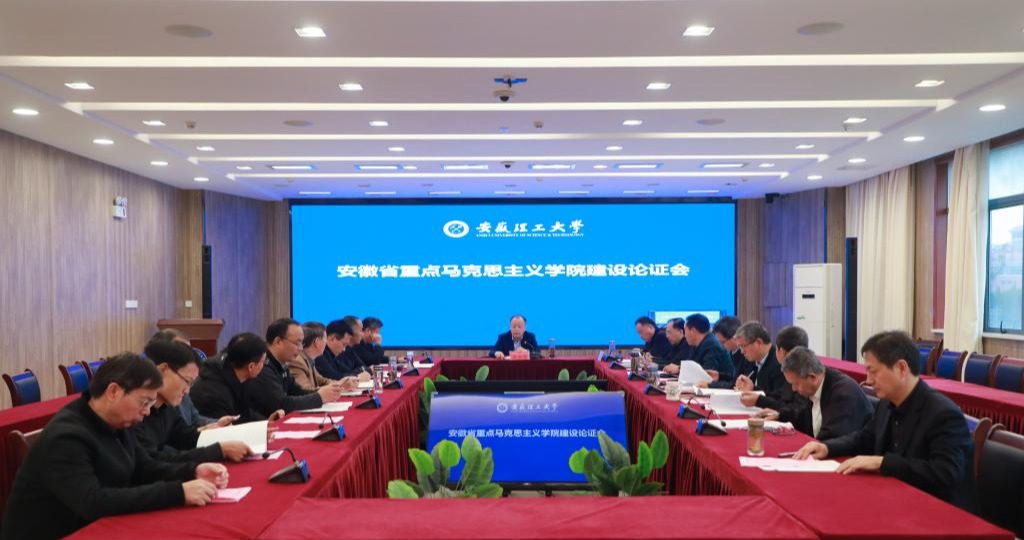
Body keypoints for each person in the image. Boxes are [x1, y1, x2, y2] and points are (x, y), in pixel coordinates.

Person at [0, 354, 229, 540]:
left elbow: (144, 467)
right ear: (113, 392)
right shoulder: (66, 436)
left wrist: (192, 471)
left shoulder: (118, 421)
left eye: (151, 403)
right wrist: (178, 492)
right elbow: (93, 502)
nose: (147, 411)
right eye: (144, 402)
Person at [793, 331, 974, 508]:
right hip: (894, 499)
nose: (868, 380)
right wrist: (827, 447)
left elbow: (945, 474)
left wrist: (882, 462)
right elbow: (864, 438)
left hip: (934, 510)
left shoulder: (943, 414)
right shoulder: (887, 403)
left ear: (901, 368)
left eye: (873, 371)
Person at [133, 340, 252, 463]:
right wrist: (218, 450)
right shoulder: (137, 412)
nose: (187, 391)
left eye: (191, 384)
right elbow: (153, 461)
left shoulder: (167, 407)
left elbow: (183, 437)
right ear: (163, 370)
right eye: (187, 381)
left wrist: (215, 433)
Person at [758, 346, 873, 440]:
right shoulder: (816, 385)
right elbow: (805, 417)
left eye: (796, 384)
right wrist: (780, 416)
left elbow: (832, 437)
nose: (793, 389)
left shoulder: (842, 394)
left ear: (812, 377)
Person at [249, 318, 348, 417]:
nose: (301, 348)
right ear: (278, 341)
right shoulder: (262, 365)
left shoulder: (282, 362)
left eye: (302, 343)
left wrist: (327, 392)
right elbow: (281, 404)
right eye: (297, 343)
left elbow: (297, 391)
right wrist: (319, 397)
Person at [149, 329, 232, 431]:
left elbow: (193, 421)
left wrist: (217, 424)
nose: (187, 391)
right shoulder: (147, 405)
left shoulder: (180, 390)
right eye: (181, 351)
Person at [191, 332, 283, 422]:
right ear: (251, 367)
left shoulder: (238, 374)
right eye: (263, 362)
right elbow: (226, 427)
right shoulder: (215, 394)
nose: (264, 366)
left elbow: (244, 412)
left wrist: (266, 423)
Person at [739, 325, 809, 409]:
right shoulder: (800, 367)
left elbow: (795, 409)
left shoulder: (795, 372)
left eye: (743, 346)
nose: (794, 388)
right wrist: (753, 389)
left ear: (781, 351)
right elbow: (780, 395)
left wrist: (759, 401)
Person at [664, 314, 735, 387]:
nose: (684, 335)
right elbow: (692, 365)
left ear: (693, 331)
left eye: (685, 331)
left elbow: (706, 375)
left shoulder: (711, 345)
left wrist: (679, 369)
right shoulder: (695, 344)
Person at [731, 321, 785, 395]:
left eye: (743, 346)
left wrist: (753, 390)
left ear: (759, 342)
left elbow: (779, 397)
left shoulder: (779, 361)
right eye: (740, 347)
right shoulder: (751, 360)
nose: (742, 352)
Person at [290, 321, 337, 391]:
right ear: (317, 342)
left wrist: (340, 384)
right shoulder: (297, 361)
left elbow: (321, 380)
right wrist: (331, 389)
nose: (326, 342)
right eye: (325, 338)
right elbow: (304, 390)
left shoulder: (309, 359)